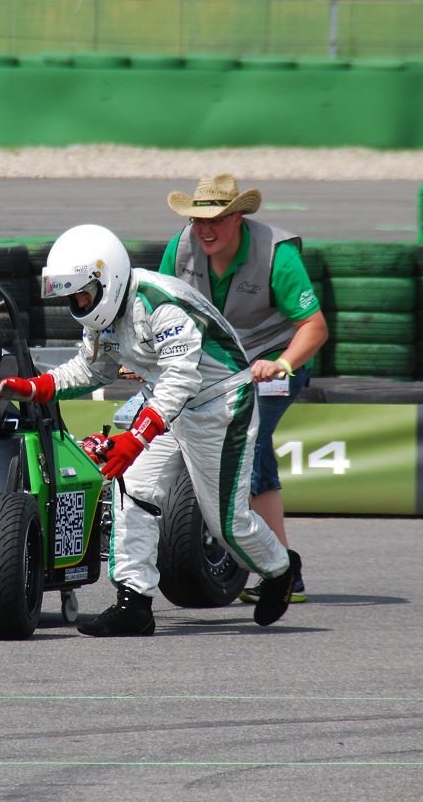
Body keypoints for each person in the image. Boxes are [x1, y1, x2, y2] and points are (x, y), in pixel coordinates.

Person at [0, 224, 299, 637]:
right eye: (73, 296)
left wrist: (136, 438)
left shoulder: (162, 303)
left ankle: (280, 568)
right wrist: (35, 387)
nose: (79, 303)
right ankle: (133, 602)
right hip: (166, 401)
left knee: (226, 524)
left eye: (84, 294)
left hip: (219, 404)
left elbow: (181, 379)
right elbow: (92, 369)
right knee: (131, 490)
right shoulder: (103, 315)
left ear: (108, 278)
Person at [162, 174, 328, 604]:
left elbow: (314, 328)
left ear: (238, 217)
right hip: (216, 366)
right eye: (198, 220)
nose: (205, 230)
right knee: (246, 447)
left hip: (273, 362)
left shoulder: (277, 254)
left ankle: (280, 569)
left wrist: (282, 364)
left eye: (216, 219)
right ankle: (283, 568)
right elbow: (156, 310)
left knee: (247, 443)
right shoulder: (180, 248)